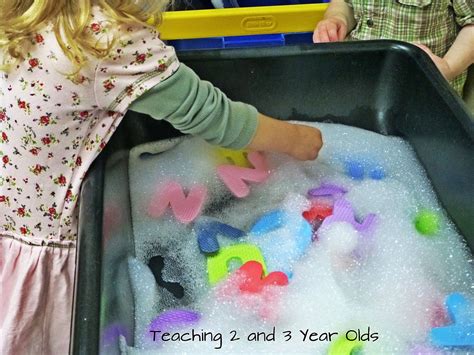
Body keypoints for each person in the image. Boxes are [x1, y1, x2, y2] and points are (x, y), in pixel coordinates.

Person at [0, 1, 323, 353]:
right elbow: (212, 116)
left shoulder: (27, 11)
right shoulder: (109, 39)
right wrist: (296, 139)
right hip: (48, 240)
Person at [313, 0, 474, 97]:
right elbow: (345, 3)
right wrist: (338, 18)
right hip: (360, 82)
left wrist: (448, 67)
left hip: (425, 91)